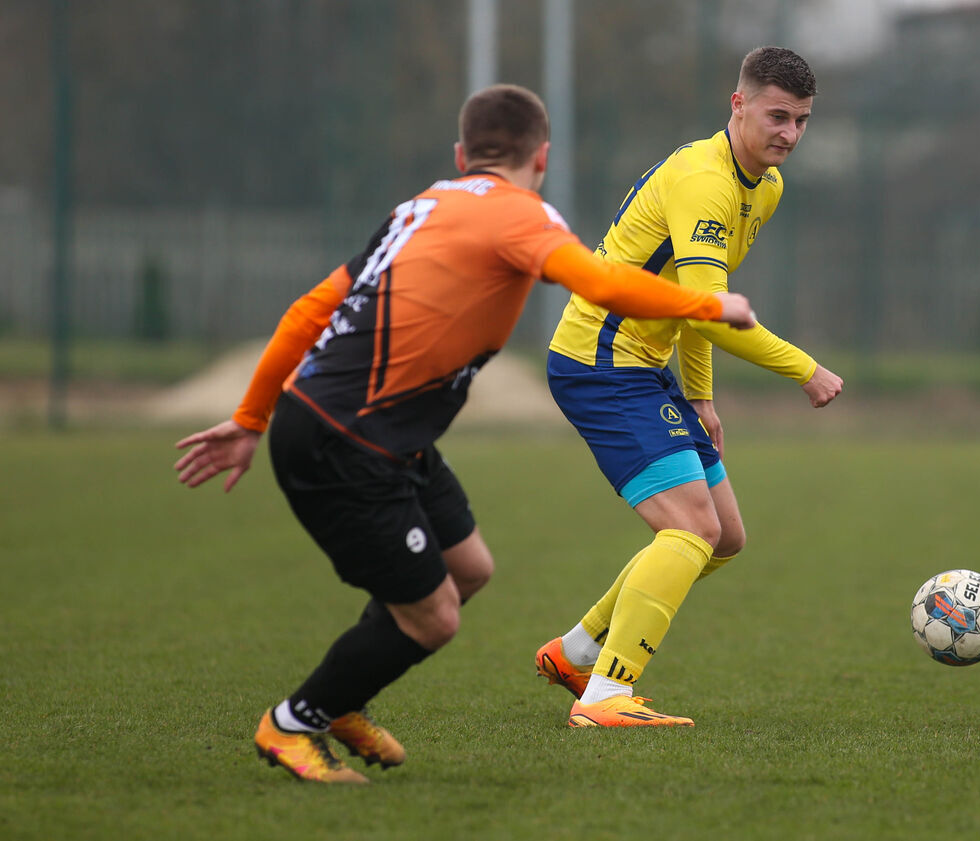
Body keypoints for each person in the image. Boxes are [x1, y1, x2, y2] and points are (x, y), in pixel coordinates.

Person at [174, 84, 757, 784]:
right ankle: (296, 721)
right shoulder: (523, 216)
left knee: (469, 569)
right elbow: (601, 283)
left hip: (375, 432)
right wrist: (709, 305)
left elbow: (307, 312)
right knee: (435, 617)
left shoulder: (420, 207)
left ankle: (342, 698)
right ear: (542, 158)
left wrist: (251, 418)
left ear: (461, 155)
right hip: (347, 440)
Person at [535, 46, 845, 728]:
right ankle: (605, 696)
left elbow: (700, 298)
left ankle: (576, 652)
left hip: (644, 365)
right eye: (777, 116)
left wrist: (701, 397)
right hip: (601, 362)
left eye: (801, 121)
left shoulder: (764, 186)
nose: (790, 134)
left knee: (724, 535)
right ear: (738, 105)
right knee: (692, 527)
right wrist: (805, 369)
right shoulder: (705, 181)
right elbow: (711, 313)